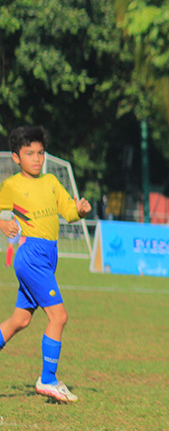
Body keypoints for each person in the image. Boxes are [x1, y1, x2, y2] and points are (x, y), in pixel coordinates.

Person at [0, 126, 91, 403]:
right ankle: (47, 380)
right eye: (29, 154)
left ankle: (48, 379)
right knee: (58, 317)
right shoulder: (12, 185)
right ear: (16, 158)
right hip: (32, 256)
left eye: (40, 153)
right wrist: (3, 222)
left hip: (49, 256)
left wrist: (80, 211)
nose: (37, 159)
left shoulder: (51, 181)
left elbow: (67, 211)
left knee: (20, 320)